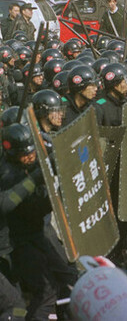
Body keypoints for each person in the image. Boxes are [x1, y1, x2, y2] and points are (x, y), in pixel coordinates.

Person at [0, 124, 78, 319]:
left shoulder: (31, 163)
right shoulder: (7, 173)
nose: (30, 157)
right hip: (12, 248)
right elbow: (7, 203)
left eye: (32, 152)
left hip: (32, 235)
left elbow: (33, 209)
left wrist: (57, 194)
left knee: (69, 277)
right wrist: (36, 177)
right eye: (24, 155)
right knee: (19, 304)